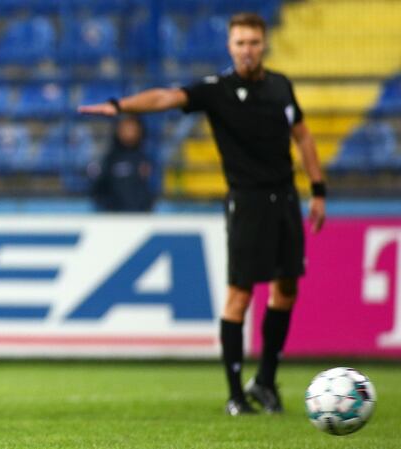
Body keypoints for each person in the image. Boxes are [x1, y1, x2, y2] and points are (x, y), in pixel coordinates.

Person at [79, 12, 326, 416]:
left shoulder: (281, 86)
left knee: (286, 290)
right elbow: (165, 98)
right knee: (241, 295)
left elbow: (302, 134)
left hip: (285, 199)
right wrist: (120, 106)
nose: (247, 50)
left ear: (264, 44)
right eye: (240, 43)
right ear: (230, 47)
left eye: (253, 42)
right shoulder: (217, 90)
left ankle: (265, 381)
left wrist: (318, 189)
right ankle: (234, 394)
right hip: (246, 201)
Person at [88, 114, 155, 212]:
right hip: (114, 219)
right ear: (118, 130)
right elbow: (98, 190)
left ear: (140, 131)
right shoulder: (110, 159)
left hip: (140, 219)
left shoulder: (147, 159)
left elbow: (152, 192)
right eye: (126, 128)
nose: (129, 132)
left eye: (133, 129)